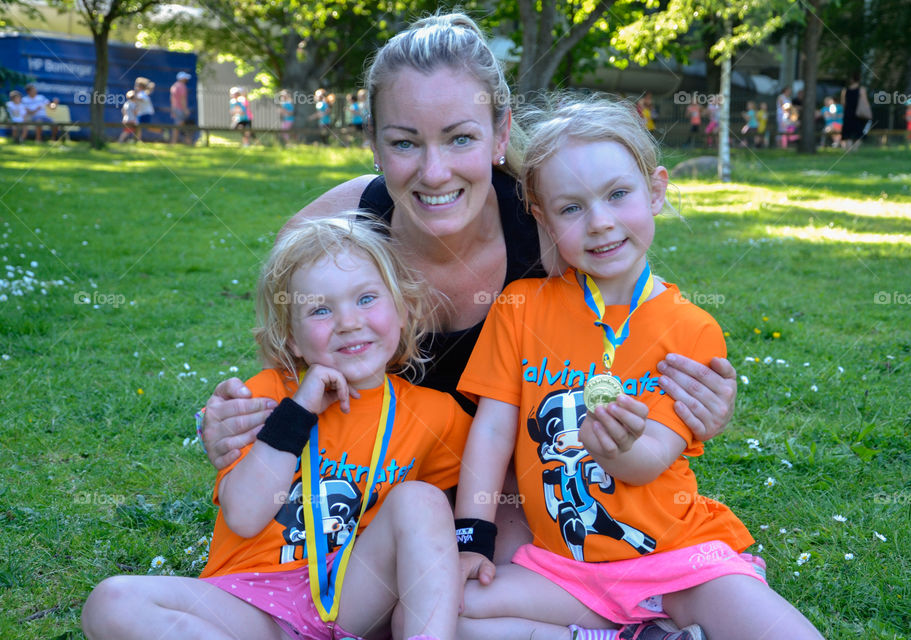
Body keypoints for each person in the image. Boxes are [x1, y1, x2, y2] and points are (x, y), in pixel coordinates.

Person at [200, 10, 740, 631]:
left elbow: (623, 324)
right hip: (381, 478)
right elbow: (298, 366)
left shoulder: (545, 232)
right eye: (404, 142)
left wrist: (698, 399)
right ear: (373, 144)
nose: (434, 173)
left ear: (501, 130)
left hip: (507, 478)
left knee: (487, 575)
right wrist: (234, 426)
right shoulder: (330, 236)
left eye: (460, 138)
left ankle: (631, 617)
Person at [454, 95, 824, 640]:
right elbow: (491, 429)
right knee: (453, 611)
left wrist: (618, 449)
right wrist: (472, 537)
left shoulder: (691, 329)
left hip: (677, 561)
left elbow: (651, 458)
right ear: (541, 216)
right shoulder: (520, 307)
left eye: (618, 195)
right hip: (568, 572)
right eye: (571, 208)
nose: (600, 223)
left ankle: (654, 624)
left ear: (655, 191)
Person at [82, 213, 468, 640]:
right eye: (320, 309)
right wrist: (297, 411)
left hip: (351, 598)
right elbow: (245, 516)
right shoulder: (262, 397)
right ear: (291, 338)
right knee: (112, 602)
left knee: (421, 498)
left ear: (403, 309)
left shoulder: (437, 413)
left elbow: (451, 512)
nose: (348, 321)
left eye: (366, 299)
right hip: (248, 603)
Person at [840, 73, 868, 150]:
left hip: (848, 113)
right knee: (859, 133)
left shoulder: (845, 90)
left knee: (847, 134)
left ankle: (848, 151)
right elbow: (865, 102)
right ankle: (854, 149)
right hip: (858, 114)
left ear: (851, 80)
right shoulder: (861, 90)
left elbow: (843, 103)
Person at [170, 71, 191, 144]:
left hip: (175, 109)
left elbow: (172, 99)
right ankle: (186, 141)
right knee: (180, 125)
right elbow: (182, 99)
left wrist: (173, 110)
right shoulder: (182, 86)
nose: (186, 80)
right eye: (185, 78)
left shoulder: (174, 86)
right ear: (182, 79)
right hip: (180, 109)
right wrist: (185, 109)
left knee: (180, 125)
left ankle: (176, 142)